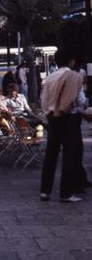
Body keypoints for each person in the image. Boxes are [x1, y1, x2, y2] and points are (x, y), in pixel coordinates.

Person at [40, 47, 88, 203]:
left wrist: (50, 113)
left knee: (51, 154)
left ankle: (45, 191)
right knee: (69, 154)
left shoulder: (50, 77)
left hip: (52, 117)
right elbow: (80, 100)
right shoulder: (73, 76)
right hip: (69, 117)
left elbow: (44, 101)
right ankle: (66, 192)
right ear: (72, 60)